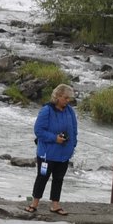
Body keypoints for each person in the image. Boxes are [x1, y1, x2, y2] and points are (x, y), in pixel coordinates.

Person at [27, 83, 77, 216]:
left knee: (58, 179)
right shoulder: (46, 110)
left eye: (69, 99)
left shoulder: (70, 111)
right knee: (42, 177)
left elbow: (74, 130)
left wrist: (72, 146)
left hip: (63, 154)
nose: (67, 101)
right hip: (46, 154)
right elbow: (38, 131)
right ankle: (34, 204)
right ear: (58, 96)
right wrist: (55, 138)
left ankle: (55, 205)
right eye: (66, 98)